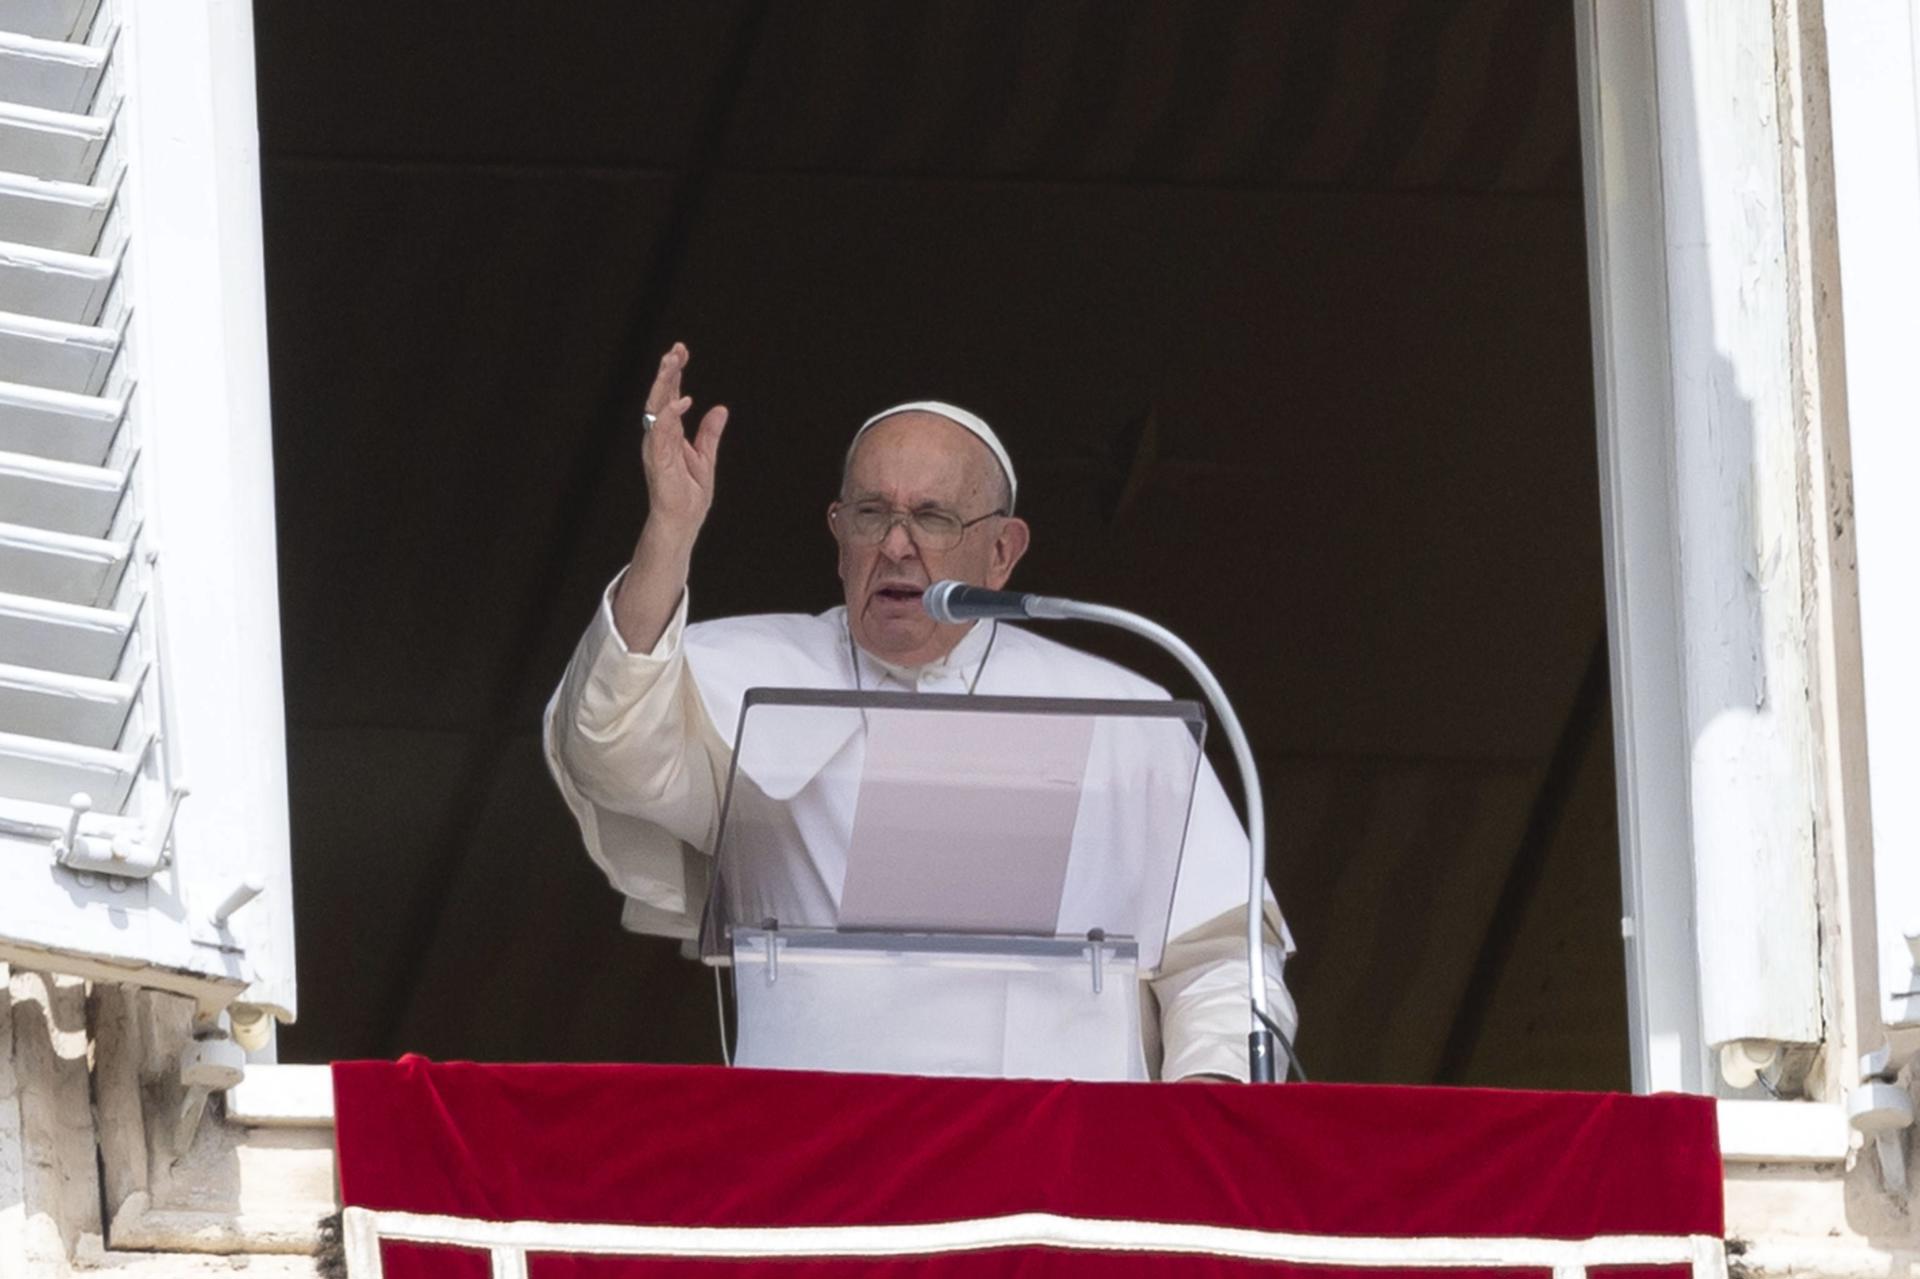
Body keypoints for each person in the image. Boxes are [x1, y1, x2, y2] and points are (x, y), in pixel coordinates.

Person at [544, 342, 1297, 1081]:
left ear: (1002, 551)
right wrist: (668, 534)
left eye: (933, 518)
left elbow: (1223, 958)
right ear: (838, 535)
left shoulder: (1128, 717)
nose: (898, 545)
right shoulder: (753, 677)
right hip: (817, 1164)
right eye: (872, 513)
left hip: (1056, 1177)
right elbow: (608, 741)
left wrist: (1207, 1110)